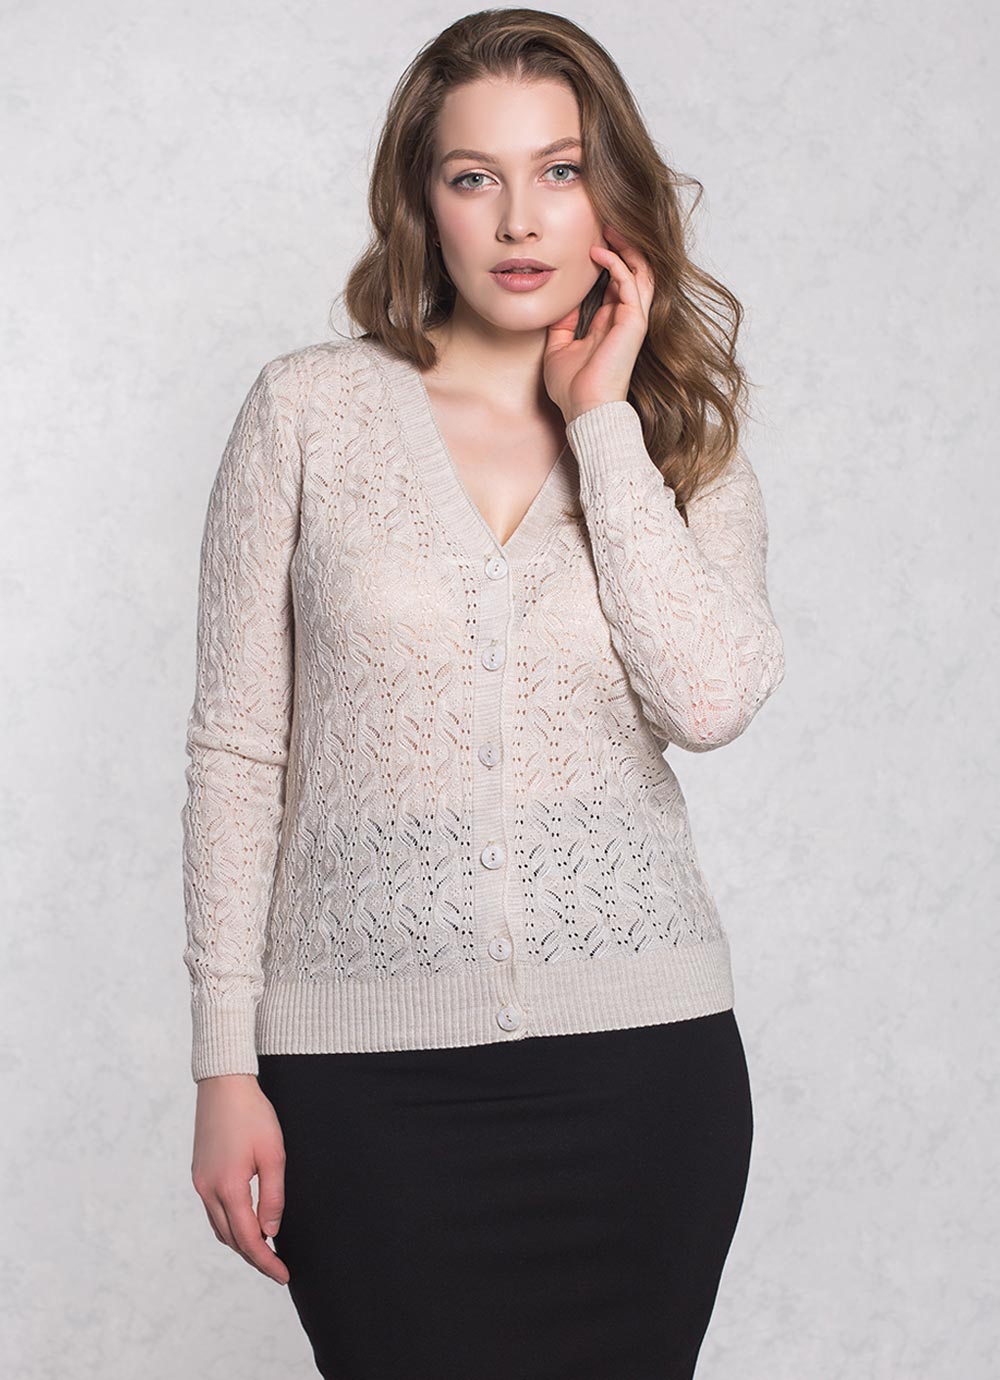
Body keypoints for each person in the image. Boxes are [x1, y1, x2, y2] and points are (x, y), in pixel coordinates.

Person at [181, 9, 785, 1379]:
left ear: (610, 195)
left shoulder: (681, 441)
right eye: (475, 176)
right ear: (424, 201)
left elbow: (709, 700)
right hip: (361, 1086)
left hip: (643, 1075)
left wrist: (602, 422)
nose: (519, 219)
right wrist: (225, 1063)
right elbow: (236, 751)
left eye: (559, 171)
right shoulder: (307, 413)